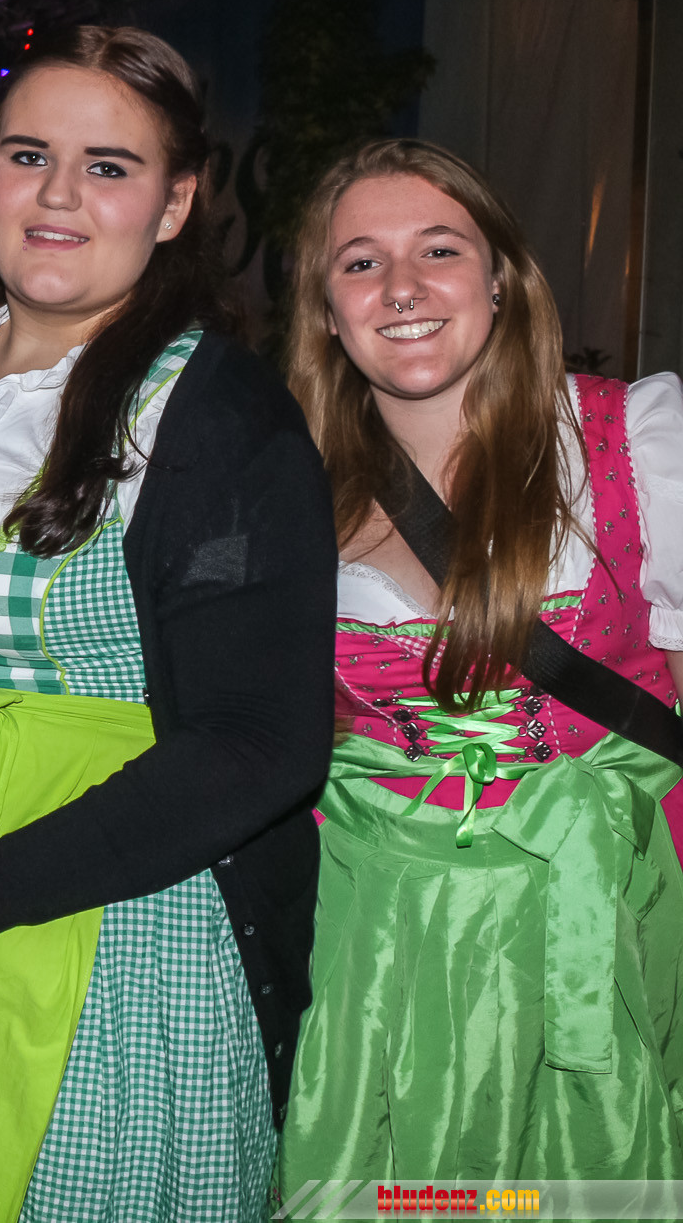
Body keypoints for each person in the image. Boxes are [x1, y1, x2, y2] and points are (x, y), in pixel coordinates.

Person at [0, 24, 338, 1221]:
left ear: (173, 204)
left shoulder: (209, 414)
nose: (57, 195)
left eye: (108, 167)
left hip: (105, 915)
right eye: (29, 156)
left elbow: (259, 741)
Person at [278, 139, 683, 1187]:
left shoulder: (631, 440)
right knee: (430, 1191)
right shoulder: (281, 487)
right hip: (385, 929)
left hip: (617, 903)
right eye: (360, 261)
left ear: (499, 278)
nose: (401, 287)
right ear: (326, 310)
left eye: (439, 249)